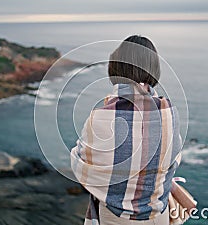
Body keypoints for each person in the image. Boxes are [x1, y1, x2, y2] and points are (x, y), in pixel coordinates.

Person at [71, 35, 182, 225]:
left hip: (116, 218)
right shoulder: (169, 112)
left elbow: (81, 164)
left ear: (116, 67)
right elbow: (174, 158)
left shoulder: (101, 116)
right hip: (159, 215)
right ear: (154, 68)